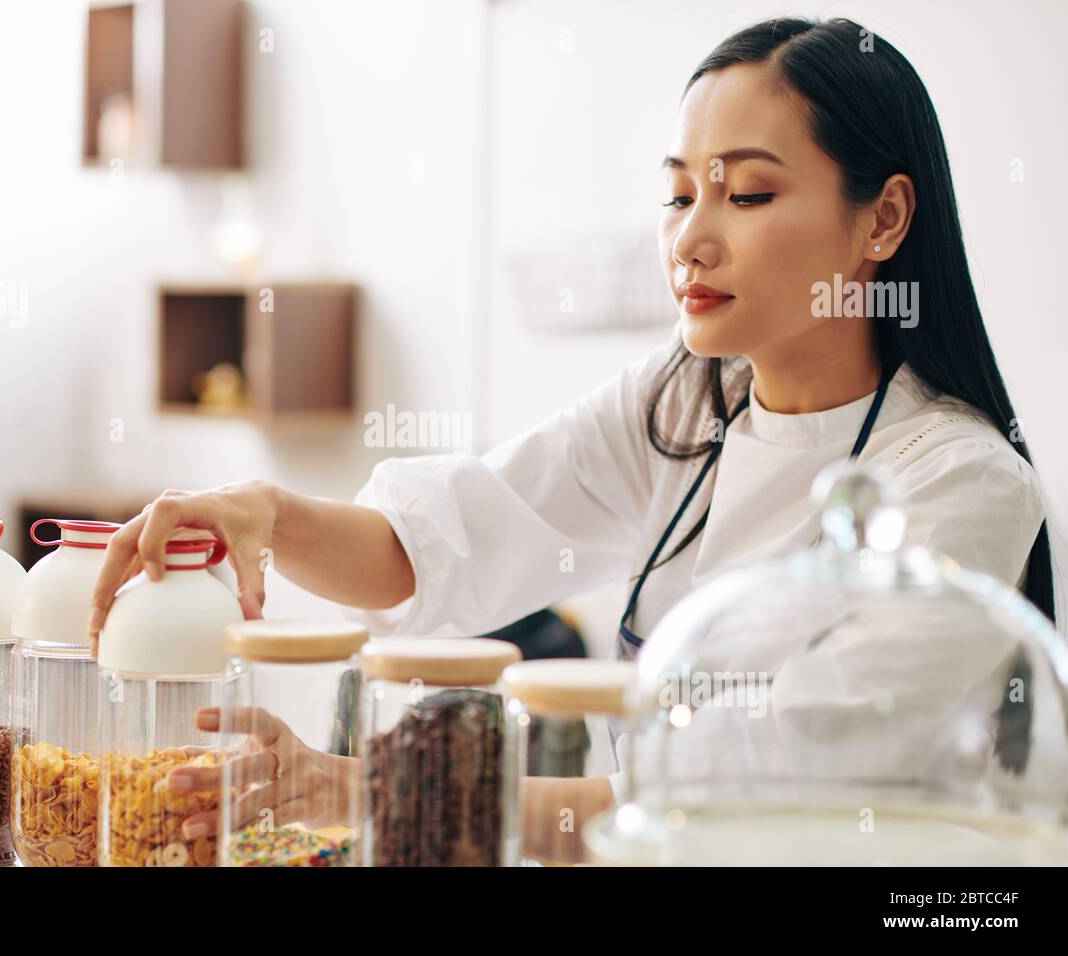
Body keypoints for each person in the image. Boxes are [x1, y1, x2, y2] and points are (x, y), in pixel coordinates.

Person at [88, 17, 1055, 863]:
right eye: (680, 196)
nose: (689, 242)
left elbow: (758, 787)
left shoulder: (963, 483)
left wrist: (380, 796)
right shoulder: (680, 408)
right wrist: (265, 511)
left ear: (881, 219)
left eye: (747, 196)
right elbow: (449, 542)